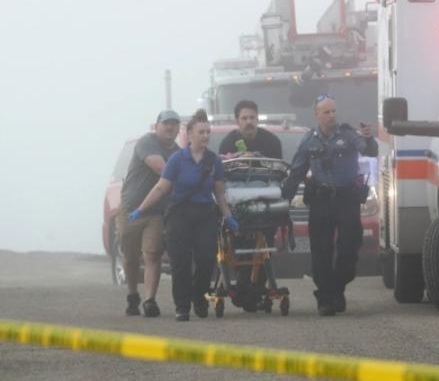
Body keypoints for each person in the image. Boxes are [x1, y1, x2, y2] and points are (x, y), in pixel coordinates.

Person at [129, 109, 240, 321]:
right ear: (189, 134)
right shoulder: (177, 159)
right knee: (180, 262)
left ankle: (199, 297)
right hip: (179, 213)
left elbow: (219, 193)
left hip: (204, 214)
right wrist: (140, 209)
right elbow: (161, 188)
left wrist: (228, 216)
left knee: (206, 259)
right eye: (201, 132)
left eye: (208, 132)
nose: (205, 136)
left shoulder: (213, 161)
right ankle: (182, 306)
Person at [282, 94, 378, 316]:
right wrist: (284, 198)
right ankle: (325, 298)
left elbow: (369, 150)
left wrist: (369, 137)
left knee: (350, 247)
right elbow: (296, 171)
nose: (331, 115)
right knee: (321, 251)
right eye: (326, 112)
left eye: (333, 111)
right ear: (316, 114)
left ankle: (337, 287)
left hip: (347, 200)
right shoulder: (309, 140)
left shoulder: (348, 134)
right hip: (321, 200)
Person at [218, 99, 283, 310]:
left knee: (265, 246)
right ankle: (243, 285)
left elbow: (278, 174)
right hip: (239, 203)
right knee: (240, 245)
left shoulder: (271, 142)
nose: (249, 122)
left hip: (265, 201)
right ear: (237, 121)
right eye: (244, 118)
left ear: (258, 118)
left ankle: (258, 288)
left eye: (252, 117)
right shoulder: (228, 143)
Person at [116, 110, 180, 318]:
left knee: (152, 255)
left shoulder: (178, 152)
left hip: (155, 213)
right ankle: (132, 294)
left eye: (174, 124)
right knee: (130, 257)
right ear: (157, 126)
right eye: (166, 123)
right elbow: (162, 169)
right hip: (131, 209)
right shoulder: (147, 142)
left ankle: (149, 300)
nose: (170, 127)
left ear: (178, 128)